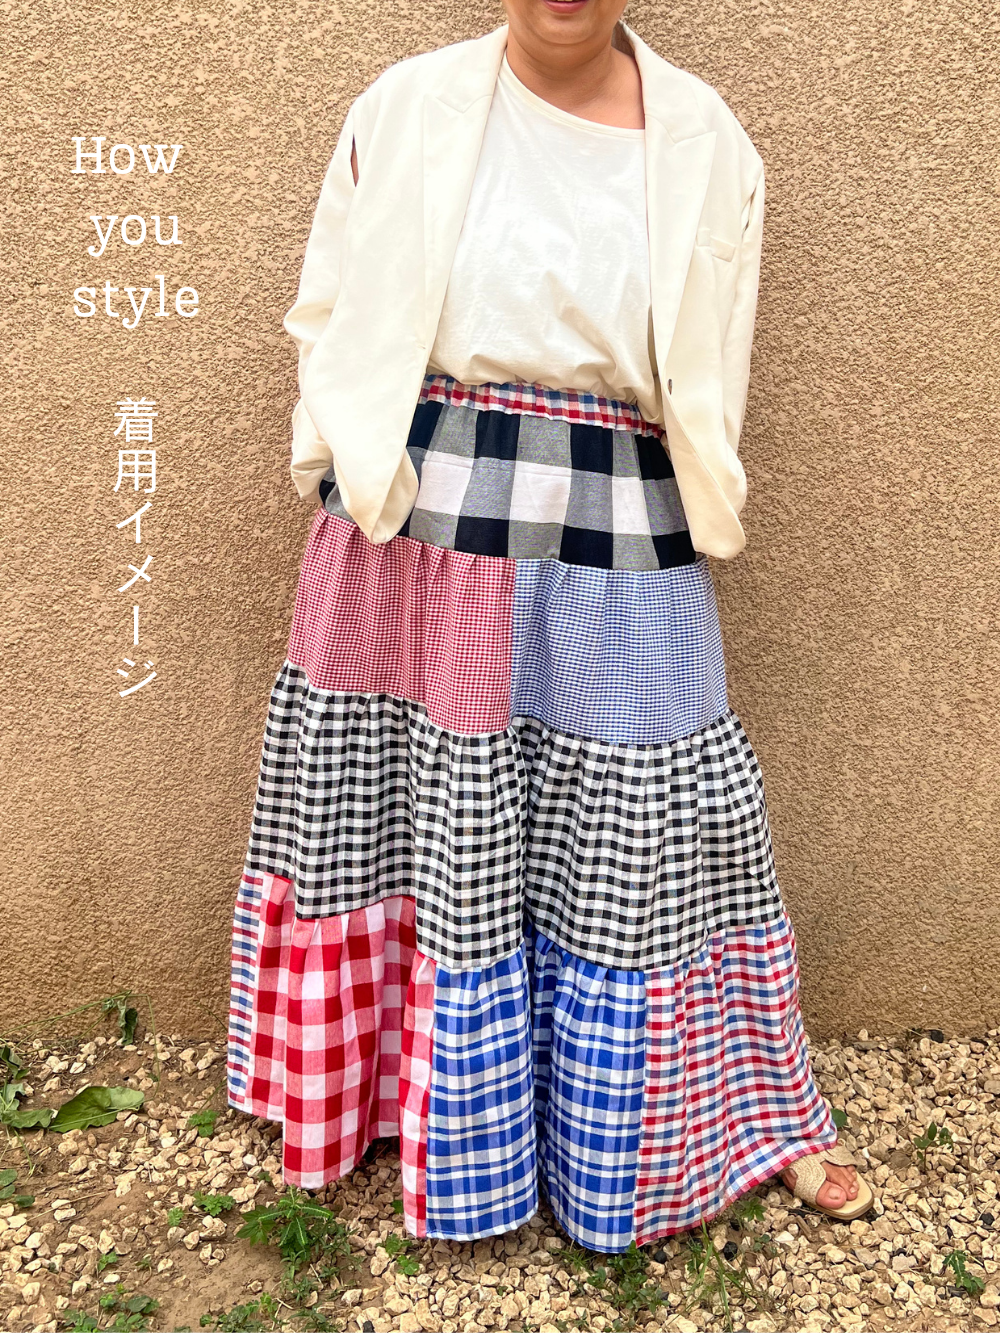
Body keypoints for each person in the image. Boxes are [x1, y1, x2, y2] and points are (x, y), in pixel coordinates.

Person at [225, 0, 873, 1250]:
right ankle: (393, 1099)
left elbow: (712, 365)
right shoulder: (402, 107)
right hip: (415, 521)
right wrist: (337, 458)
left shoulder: (707, 138)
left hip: (619, 515)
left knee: (644, 815)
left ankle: (698, 1115)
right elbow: (328, 308)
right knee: (419, 814)